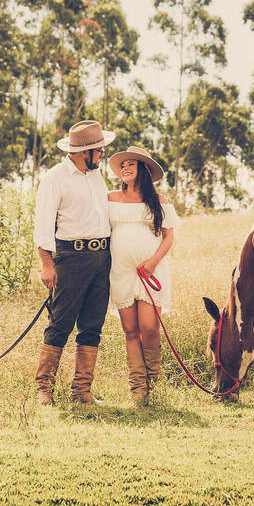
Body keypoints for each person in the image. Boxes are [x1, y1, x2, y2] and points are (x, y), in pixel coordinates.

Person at [32, 120, 116, 405]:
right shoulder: (55, 178)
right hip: (71, 258)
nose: (102, 154)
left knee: (92, 325)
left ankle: (81, 391)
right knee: (60, 323)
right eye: (99, 150)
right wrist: (47, 264)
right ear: (85, 152)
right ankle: (44, 388)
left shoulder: (95, 176)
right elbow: (43, 225)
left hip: (102, 258)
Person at [106, 146, 178, 403]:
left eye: (131, 165)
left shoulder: (160, 202)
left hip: (151, 270)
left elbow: (169, 236)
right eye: (122, 165)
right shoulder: (110, 198)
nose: (125, 168)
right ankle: (138, 389)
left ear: (144, 170)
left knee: (148, 327)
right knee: (130, 329)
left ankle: (153, 382)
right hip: (122, 272)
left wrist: (153, 262)